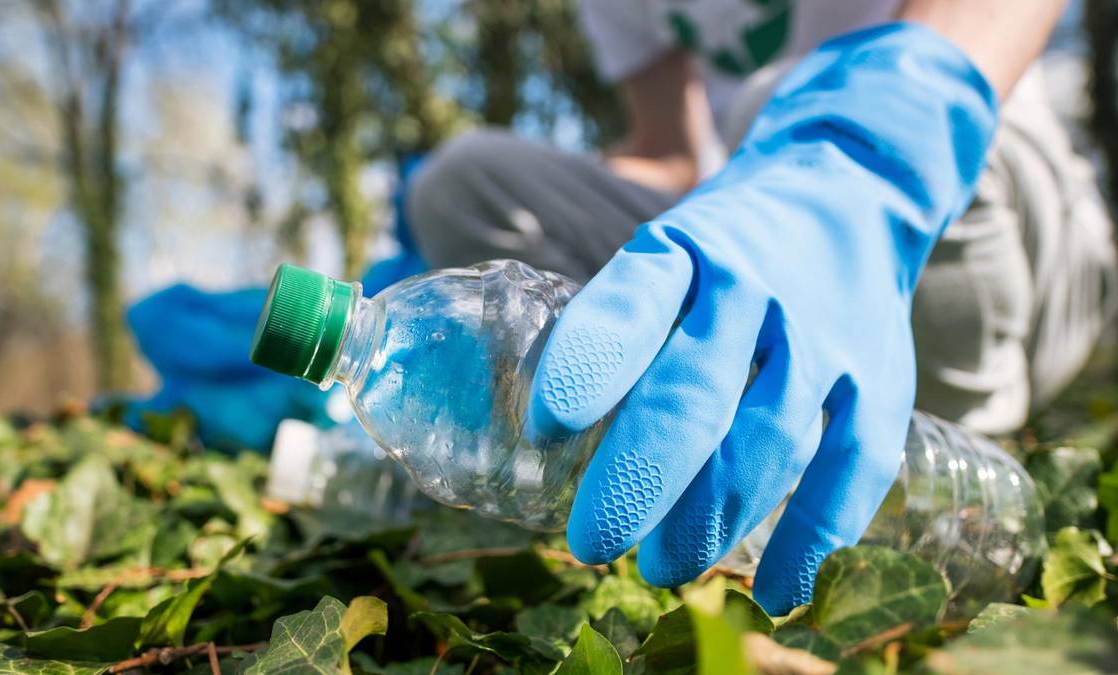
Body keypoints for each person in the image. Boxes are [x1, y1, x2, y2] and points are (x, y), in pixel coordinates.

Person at [405, 0, 1118, 614]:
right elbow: (670, 156)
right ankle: (748, 419)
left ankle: (954, 437)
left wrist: (854, 163)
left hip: (988, 198)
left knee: (770, 96)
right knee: (465, 182)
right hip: (770, 204)